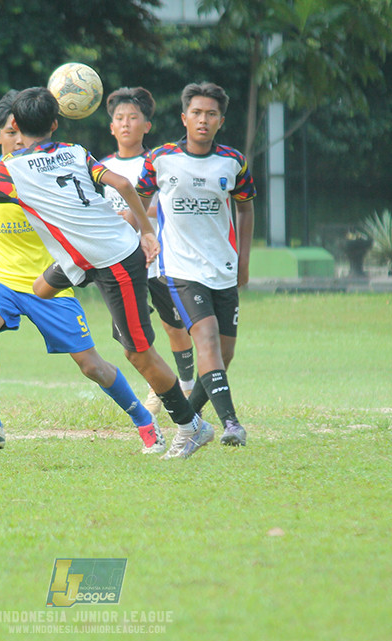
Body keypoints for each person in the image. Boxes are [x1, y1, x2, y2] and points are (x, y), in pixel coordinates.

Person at [0, 87, 214, 459]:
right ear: (54, 123)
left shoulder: (9, 170)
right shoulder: (75, 151)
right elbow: (125, 185)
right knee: (39, 289)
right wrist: (146, 230)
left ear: (15, 124)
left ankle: (191, 425)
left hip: (113, 261)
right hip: (82, 257)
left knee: (138, 354)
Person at [135, 82, 255, 447]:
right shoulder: (160, 159)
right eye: (197, 113)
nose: (203, 120)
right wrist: (145, 234)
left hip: (222, 267)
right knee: (205, 341)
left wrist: (244, 262)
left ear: (221, 120)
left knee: (224, 354)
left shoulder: (234, 162)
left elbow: (246, 208)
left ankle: (190, 422)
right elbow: (137, 197)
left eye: (211, 114)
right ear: (184, 117)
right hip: (181, 269)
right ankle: (231, 423)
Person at [101, 86, 196, 416]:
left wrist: (136, 214)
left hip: (158, 260)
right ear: (111, 127)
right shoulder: (101, 167)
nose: (125, 124)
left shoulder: (158, 163)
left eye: (133, 118)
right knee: (130, 335)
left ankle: (185, 386)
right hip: (120, 263)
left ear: (147, 126)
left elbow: (169, 206)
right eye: (119, 118)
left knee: (174, 327)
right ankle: (159, 384)